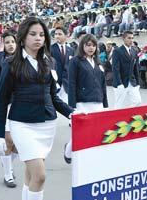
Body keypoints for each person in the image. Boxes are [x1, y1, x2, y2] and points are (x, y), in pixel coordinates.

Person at [0, 17, 73, 200]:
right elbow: (1, 99)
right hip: (22, 124)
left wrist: (71, 114)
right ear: (23, 37)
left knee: (30, 175)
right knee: (40, 175)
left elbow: (54, 97)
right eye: (33, 34)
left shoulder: (48, 62)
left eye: (41, 35)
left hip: (46, 124)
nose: (38, 38)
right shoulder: (11, 64)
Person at [64, 34, 108, 164]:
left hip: (98, 102)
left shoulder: (98, 62)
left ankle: (90, 157)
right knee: (80, 132)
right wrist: (72, 106)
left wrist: (105, 104)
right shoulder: (75, 61)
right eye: (88, 45)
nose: (91, 48)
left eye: (93, 45)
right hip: (82, 103)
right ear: (82, 45)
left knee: (96, 132)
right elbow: (71, 83)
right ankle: (68, 150)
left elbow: (103, 85)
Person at [0, 31, 18, 188]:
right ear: (3, 44)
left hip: (20, 104)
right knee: (9, 140)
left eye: (13, 42)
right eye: (7, 42)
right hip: (5, 102)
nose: (10, 45)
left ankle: (6, 162)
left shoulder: (22, 58)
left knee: (18, 145)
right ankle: (8, 175)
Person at [112, 31, 141, 108]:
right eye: (129, 38)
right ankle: (117, 118)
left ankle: (127, 115)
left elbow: (136, 68)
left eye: (132, 38)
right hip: (121, 82)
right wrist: (119, 83)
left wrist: (138, 82)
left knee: (137, 101)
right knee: (119, 104)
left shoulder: (134, 51)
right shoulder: (117, 51)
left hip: (132, 81)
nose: (131, 40)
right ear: (124, 39)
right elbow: (115, 69)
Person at [50, 26, 75, 103]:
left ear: (66, 35)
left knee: (67, 107)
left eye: (60, 34)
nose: (57, 36)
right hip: (55, 84)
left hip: (67, 84)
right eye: (56, 34)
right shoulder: (50, 49)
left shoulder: (71, 50)